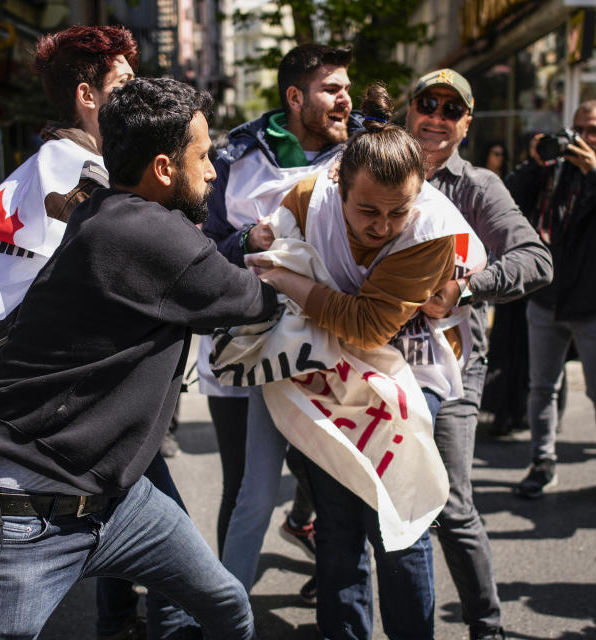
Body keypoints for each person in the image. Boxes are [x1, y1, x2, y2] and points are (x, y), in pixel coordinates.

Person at [0, 77, 278, 640]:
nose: (215, 171)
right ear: (165, 169)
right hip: (26, 511)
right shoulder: (149, 234)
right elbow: (251, 299)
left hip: (119, 500)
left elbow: (197, 272)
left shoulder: (109, 212)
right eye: (204, 157)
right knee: (227, 610)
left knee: (224, 604)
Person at [0, 25, 193, 640]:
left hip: (25, 384)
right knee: (175, 549)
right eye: (124, 84)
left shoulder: (42, 165)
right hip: (59, 398)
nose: (137, 92)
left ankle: (117, 619)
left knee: (118, 505)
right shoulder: (87, 172)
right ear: (88, 96)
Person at [245, 83, 473, 640]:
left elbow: (368, 325)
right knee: (339, 526)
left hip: (409, 372)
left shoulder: (433, 230)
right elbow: (267, 245)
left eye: (399, 212)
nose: (382, 225)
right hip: (327, 372)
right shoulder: (305, 196)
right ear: (336, 186)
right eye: (367, 209)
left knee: (398, 525)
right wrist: (264, 245)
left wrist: (289, 278)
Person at [204, 43, 359, 600]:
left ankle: (339, 596)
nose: (346, 99)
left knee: (334, 484)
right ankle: (224, 605)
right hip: (243, 349)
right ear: (296, 98)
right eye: (332, 89)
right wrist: (250, 239)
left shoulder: (365, 151)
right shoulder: (231, 159)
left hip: (335, 347)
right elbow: (199, 248)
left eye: (348, 88)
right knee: (245, 487)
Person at [404, 69, 553, 640]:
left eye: (451, 109)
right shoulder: (377, 165)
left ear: (465, 124)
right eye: (427, 104)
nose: (436, 117)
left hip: (451, 371)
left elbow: (537, 260)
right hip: (375, 365)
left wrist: (465, 286)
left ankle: (485, 627)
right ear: (410, 111)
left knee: (450, 504)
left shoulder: (479, 187)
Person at [506, 99, 596, 506]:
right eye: (579, 128)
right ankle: (542, 463)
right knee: (542, 389)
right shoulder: (558, 165)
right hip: (547, 298)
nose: (584, 138)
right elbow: (511, 199)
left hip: (595, 301)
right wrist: (535, 163)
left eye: (594, 131)